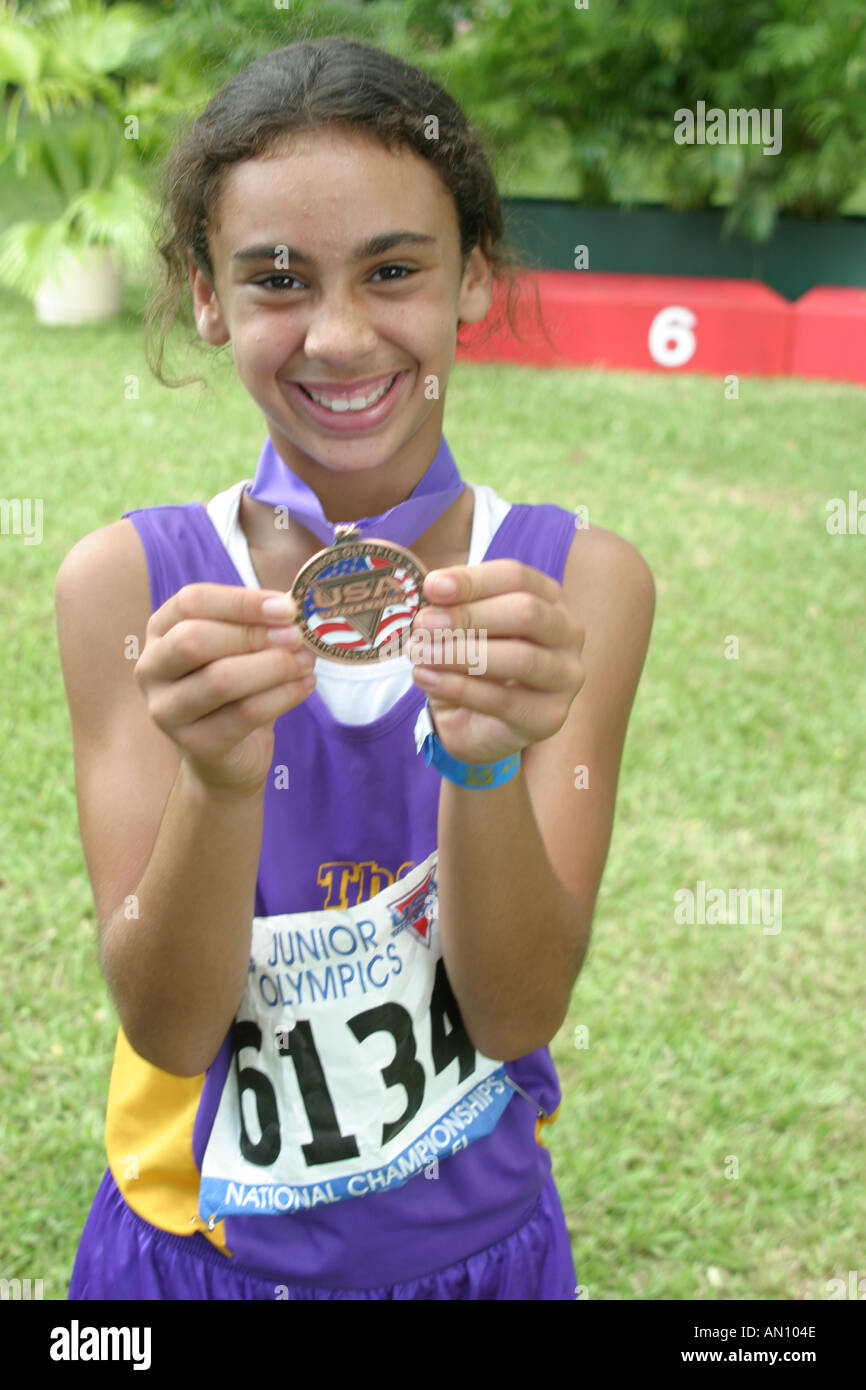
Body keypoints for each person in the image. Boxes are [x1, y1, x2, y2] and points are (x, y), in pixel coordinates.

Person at [55, 34, 655, 1301]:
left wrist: (483, 767)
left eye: (392, 271)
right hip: (191, 1263)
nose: (338, 336)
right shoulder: (131, 587)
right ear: (206, 295)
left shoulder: (572, 586)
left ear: (470, 282)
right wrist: (219, 787)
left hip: (473, 1256)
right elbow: (164, 1027)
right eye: (277, 279)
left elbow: (516, 1012)